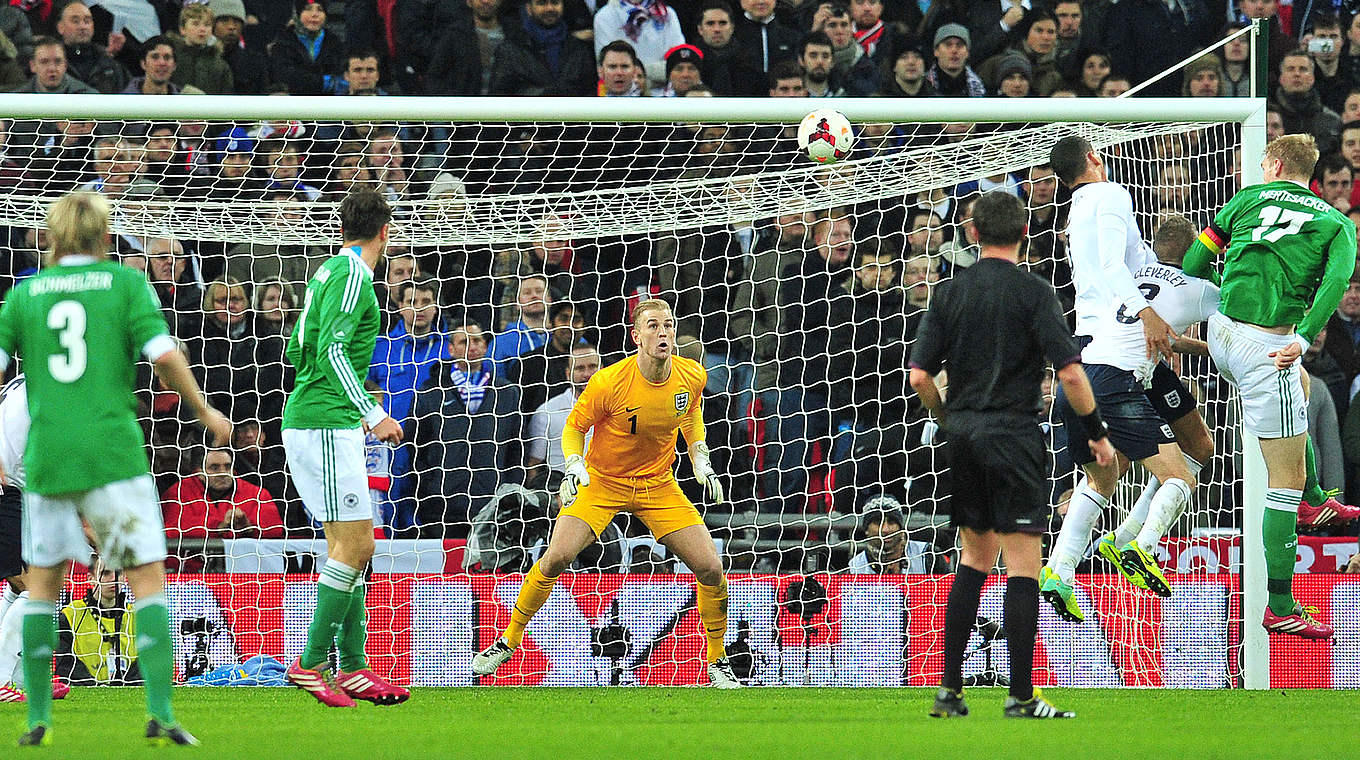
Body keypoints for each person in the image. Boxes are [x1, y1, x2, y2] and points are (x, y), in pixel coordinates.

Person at [0, 191, 230, 745]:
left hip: (49, 460)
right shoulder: (127, 284)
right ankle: (161, 712)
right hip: (113, 453)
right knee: (147, 579)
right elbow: (166, 356)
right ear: (107, 240)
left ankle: (37, 720)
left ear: (51, 241)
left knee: (41, 587)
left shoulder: (25, 295)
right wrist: (202, 411)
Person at [910, 190, 1113, 719]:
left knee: (973, 559)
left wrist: (945, 418)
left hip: (965, 436)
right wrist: (1095, 431)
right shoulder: (1034, 292)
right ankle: (1022, 696)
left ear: (972, 233)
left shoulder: (949, 293)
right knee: (1023, 564)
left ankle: (950, 692)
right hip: (1014, 435)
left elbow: (919, 377)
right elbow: (1070, 372)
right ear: (1025, 232)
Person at [472, 300, 738, 688]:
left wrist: (700, 459)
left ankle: (718, 662)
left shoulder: (692, 375)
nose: (662, 332)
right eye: (652, 326)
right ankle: (506, 641)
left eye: (668, 325)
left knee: (711, 568)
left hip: (657, 484)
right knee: (556, 557)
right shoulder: (609, 381)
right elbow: (574, 427)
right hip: (602, 482)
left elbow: (690, 415)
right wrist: (574, 464)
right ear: (636, 335)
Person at [1184, 133, 1357, 640]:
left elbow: (1195, 264)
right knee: (1281, 485)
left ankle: (1318, 496)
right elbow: (1334, 287)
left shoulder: (1242, 200)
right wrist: (1303, 337)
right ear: (1310, 173)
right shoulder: (1335, 223)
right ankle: (1279, 604)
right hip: (1268, 350)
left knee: (1299, 390)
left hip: (1221, 333)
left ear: (1274, 164)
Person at [1039, 136, 1200, 621]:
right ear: (1092, 158)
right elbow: (1113, 267)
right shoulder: (1109, 196)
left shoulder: (1076, 212)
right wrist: (1147, 313)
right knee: (1180, 475)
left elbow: (1118, 268)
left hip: (1086, 359)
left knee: (1104, 475)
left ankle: (1060, 568)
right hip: (1114, 366)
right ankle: (1136, 547)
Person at [280, 188, 410, 706]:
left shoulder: (327, 272)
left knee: (347, 548)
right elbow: (332, 348)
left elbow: (299, 347)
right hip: (326, 422)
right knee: (358, 547)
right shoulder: (355, 276)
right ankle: (312, 662)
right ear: (385, 231)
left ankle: (354, 667)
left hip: (315, 417)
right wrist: (372, 413)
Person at [161, 446, 285, 541]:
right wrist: (218, 526)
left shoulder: (258, 494)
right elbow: (170, 530)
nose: (223, 473)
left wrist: (249, 527)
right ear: (199, 472)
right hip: (191, 571)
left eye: (227, 467)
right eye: (214, 468)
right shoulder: (177, 493)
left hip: (246, 570)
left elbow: (276, 530)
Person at [54, 554, 141, 686]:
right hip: (86, 696)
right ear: (91, 578)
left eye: (118, 572)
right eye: (106, 573)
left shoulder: (137, 616)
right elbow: (65, 664)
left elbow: (145, 662)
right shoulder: (71, 614)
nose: (114, 579)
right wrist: (95, 687)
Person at [527, 343, 601, 487]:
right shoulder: (546, 412)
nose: (587, 374)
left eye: (592, 366)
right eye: (580, 368)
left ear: (602, 370)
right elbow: (533, 465)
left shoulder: (619, 407)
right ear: (568, 374)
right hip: (564, 495)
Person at [170, 3, 234, 94]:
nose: (202, 29)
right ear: (182, 29)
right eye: (196, 24)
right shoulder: (171, 60)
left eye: (207, 25)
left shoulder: (220, 65)